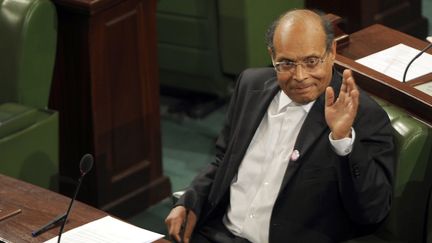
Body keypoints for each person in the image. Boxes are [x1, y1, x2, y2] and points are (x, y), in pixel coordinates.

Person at [165, 9, 395, 243]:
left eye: (311, 61)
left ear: (332, 52)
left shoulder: (362, 115)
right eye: (286, 63)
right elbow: (224, 160)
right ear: (272, 56)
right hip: (217, 233)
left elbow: (372, 212)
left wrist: (342, 139)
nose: (300, 76)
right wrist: (190, 200)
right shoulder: (250, 85)